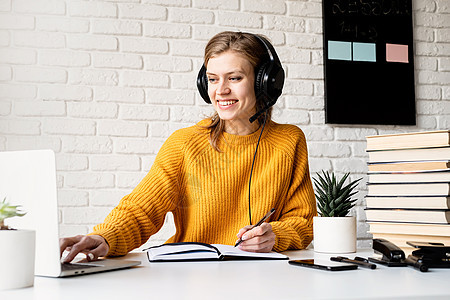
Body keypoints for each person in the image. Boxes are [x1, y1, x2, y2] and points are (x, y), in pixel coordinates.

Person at [60, 31, 317, 263]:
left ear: (265, 82)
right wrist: (105, 237)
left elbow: (303, 223)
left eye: (235, 78)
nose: (221, 90)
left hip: (261, 279)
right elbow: (141, 209)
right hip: (191, 275)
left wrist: (274, 236)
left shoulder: (289, 140)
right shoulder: (184, 143)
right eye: (213, 79)